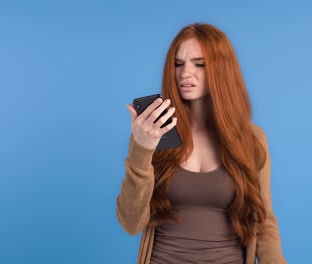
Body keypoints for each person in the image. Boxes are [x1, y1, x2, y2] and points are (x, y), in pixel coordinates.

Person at [117, 23, 287, 264]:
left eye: (199, 63)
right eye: (178, 63)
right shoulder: (152, 134)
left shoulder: (251, 140)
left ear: (221, 70)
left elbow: (263, 220)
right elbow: (130, 223)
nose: (185, 72)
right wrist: (142, 149)